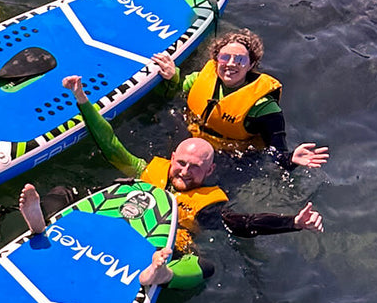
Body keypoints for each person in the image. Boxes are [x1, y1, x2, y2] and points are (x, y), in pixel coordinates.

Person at [51, 74, 324, 288]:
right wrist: (82, 99)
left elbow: (245, 223)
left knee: (204, 268)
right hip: (115, 223)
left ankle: (162, 276)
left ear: (209, 172)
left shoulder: (207, 207)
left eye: (195, 168)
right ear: (172, 158)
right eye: (181, 163)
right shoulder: (144, 169)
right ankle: (41, 226)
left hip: (155, 254)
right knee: (62, 192)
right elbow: (110, 143)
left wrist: (293, 223)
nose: (184, 171)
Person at [152, 29, 328, 169]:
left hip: (230, 159)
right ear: (216, 59)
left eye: (240, 59)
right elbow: (178, 90)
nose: (231, 64)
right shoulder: (201, 78)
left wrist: (290, 160)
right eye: (225, 57)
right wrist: (172, 75)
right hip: (191, 143)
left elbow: (277, 150)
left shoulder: (264, 108)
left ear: (251, 65)